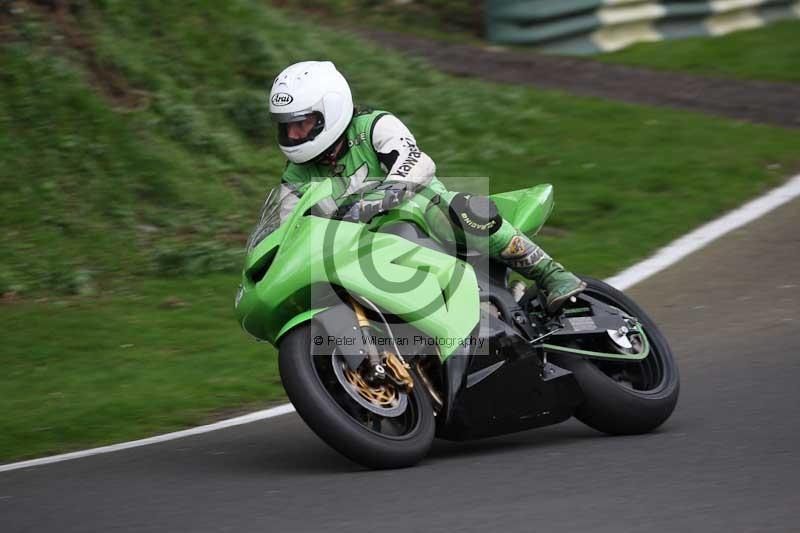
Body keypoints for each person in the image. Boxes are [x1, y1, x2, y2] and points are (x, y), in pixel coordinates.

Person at [269, 61, 585, 314]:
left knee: (460, 210)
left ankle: (551, 273)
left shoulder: (373, 127)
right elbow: (288, 229)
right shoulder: (296, 174)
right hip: (363, 248)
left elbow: (417, 163)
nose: (294, 135)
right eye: (287, 126)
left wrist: (377, 201)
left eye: (302, 123)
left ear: (331, 111)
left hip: (422, 215)